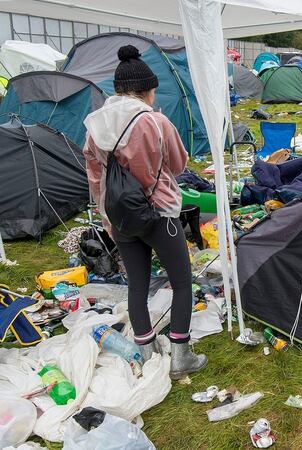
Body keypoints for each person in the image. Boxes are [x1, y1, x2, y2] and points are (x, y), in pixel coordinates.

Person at [83, 45, 207, 380]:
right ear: (148, 89)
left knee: (137, 285)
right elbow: (179, 164)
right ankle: (182, 356)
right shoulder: (154, 121)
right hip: (159, 212)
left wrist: (106, 217)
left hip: (119, 216)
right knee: (182, 283)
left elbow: (95, 177)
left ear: (118, 90)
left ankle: (148, 352)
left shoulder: (95, 124)